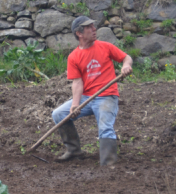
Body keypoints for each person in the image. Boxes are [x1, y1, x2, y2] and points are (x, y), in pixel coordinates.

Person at [52, 16, 133, 166]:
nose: (94, 29)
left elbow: (126, 57)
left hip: (106, 96)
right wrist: (75, 105)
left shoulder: (105, 47)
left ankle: (108, 163)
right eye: (89, 27)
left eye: (93, 26)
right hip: (87, 97)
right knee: (59, 114)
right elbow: (77, 82)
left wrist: (125, 66)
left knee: (105, 126)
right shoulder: (74, 56)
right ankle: (74, 150)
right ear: (79, 33)